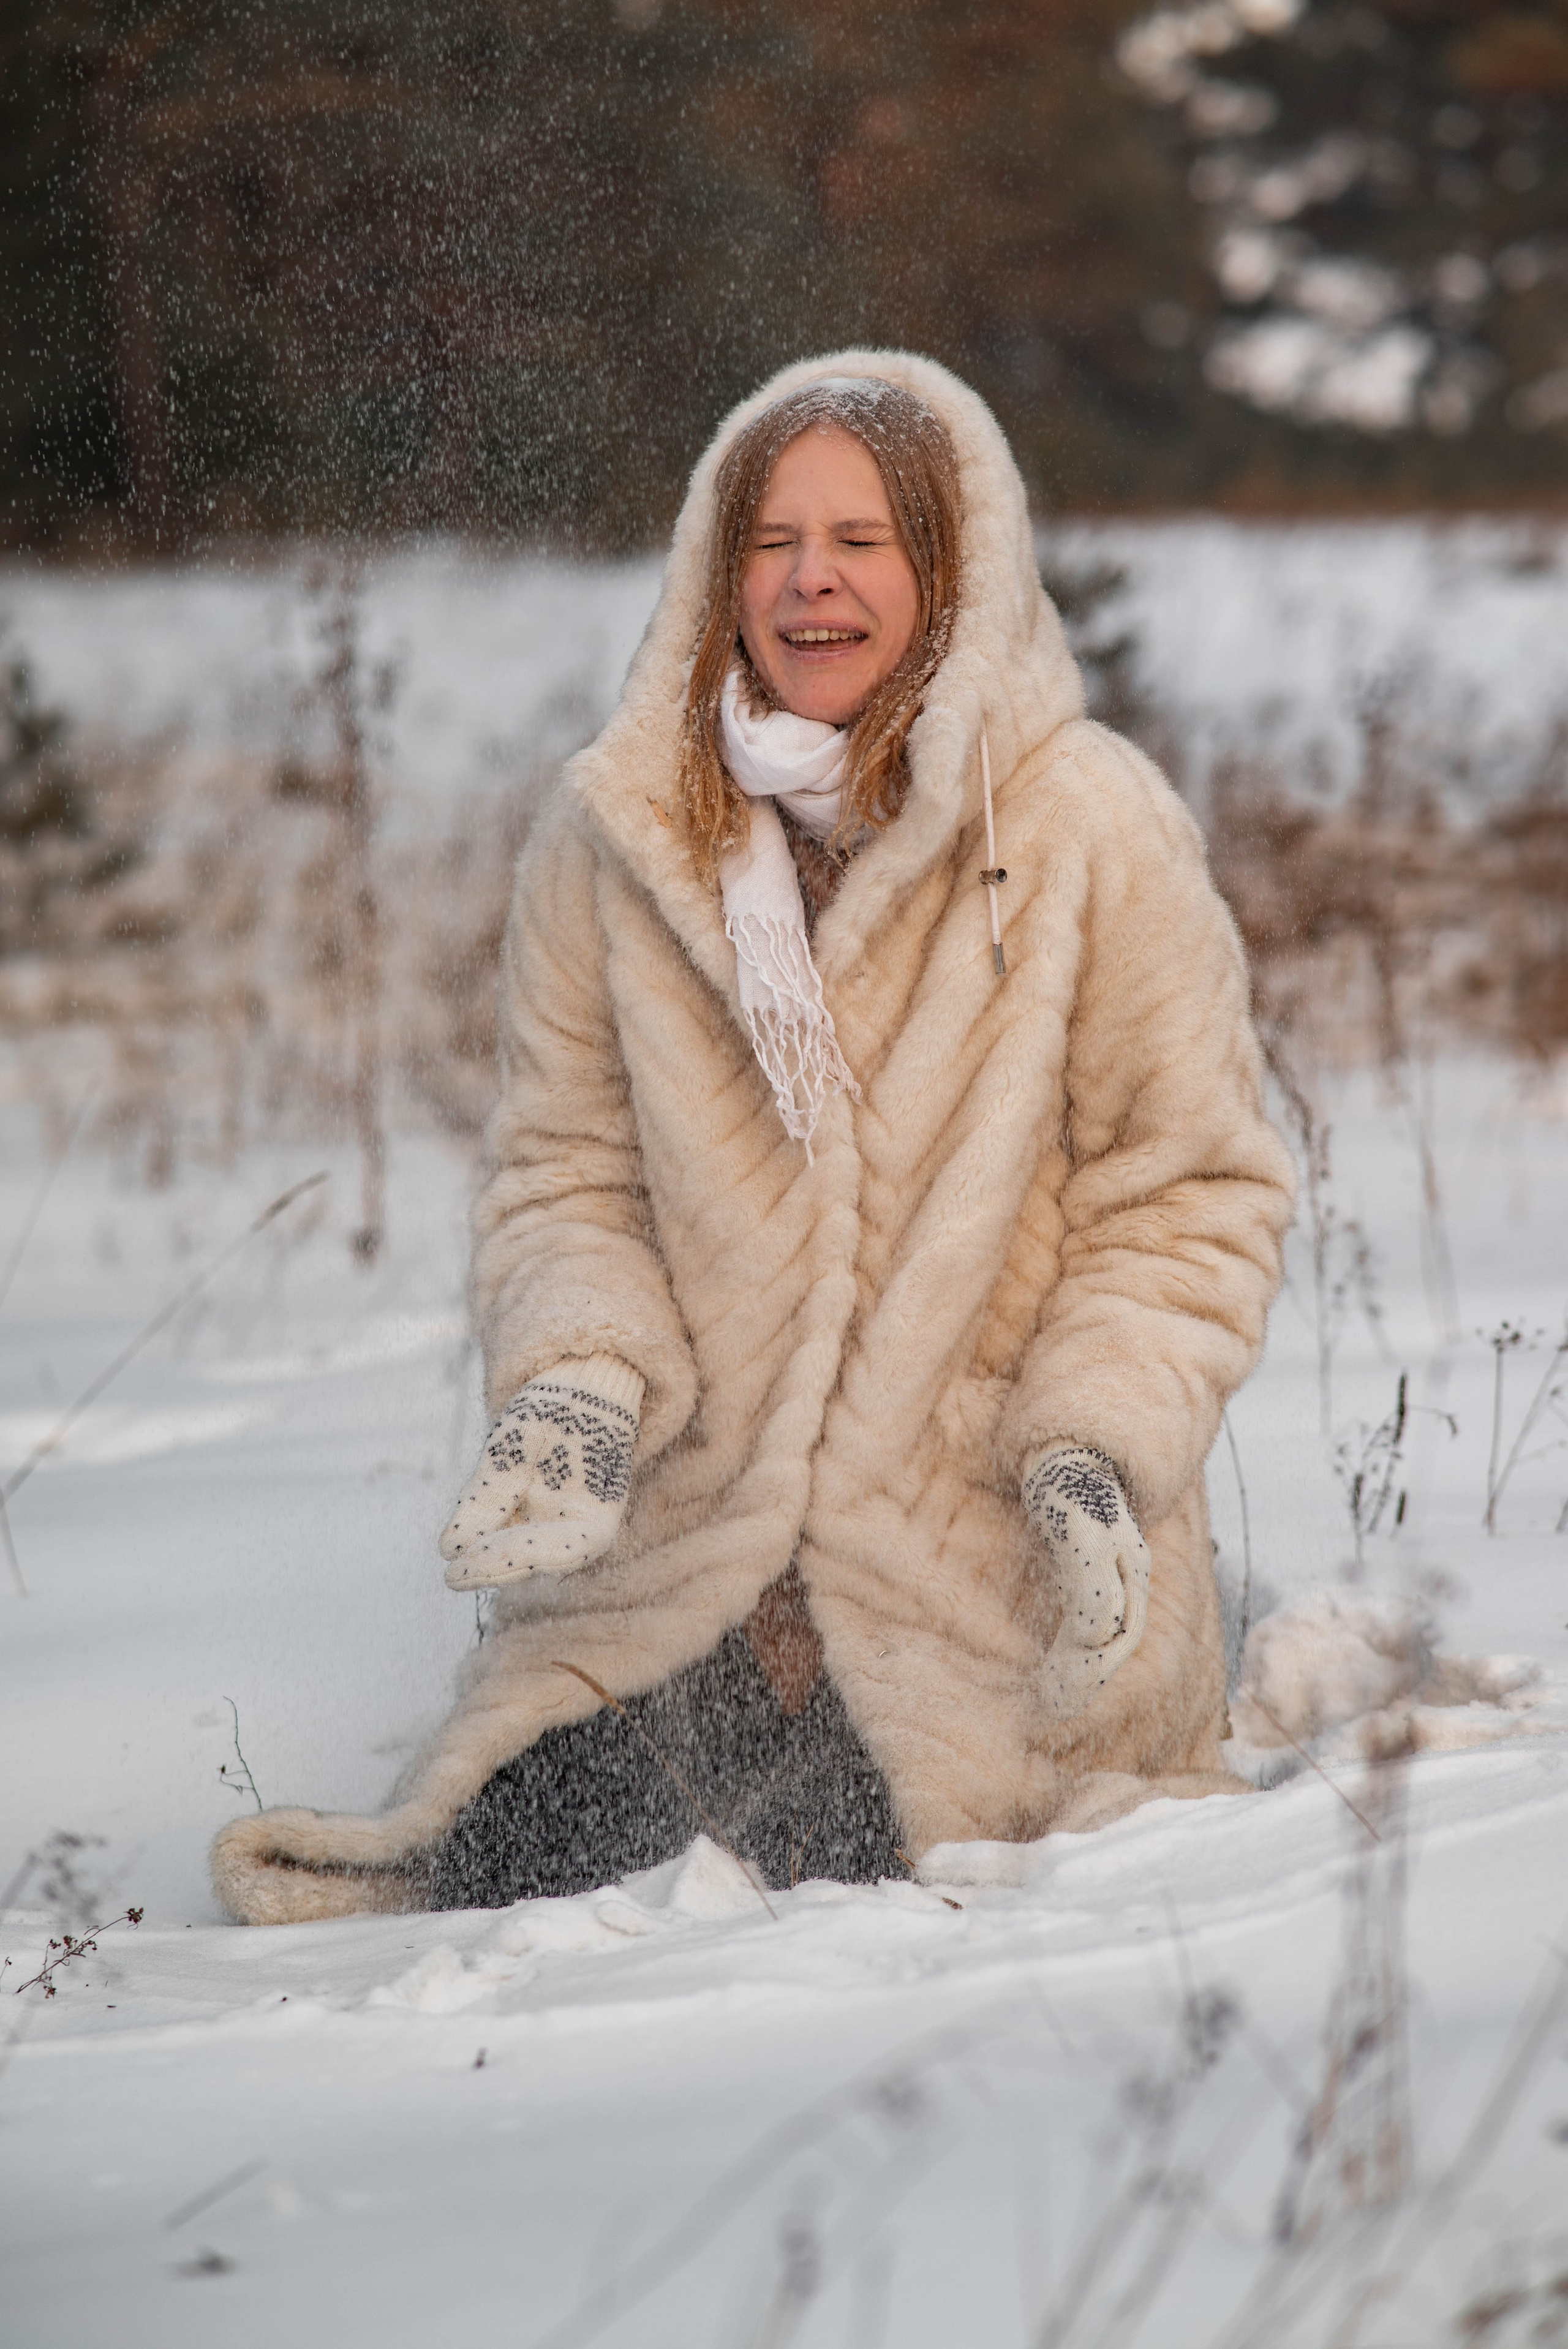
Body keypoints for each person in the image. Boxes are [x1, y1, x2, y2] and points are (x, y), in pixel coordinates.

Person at [213, 352, 1295, 1928]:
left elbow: (1186, 1192)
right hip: (682, 1570)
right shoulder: (617, 839)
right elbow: (565, 1176)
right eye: (771, 542)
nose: (809, 582)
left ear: (952, 567)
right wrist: (581, 1384)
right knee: (528, 1877)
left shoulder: (1084, 824)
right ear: (716, 574)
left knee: (858, 1875)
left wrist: (1093, 1444)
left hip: (976, 1580)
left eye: (861, 540)